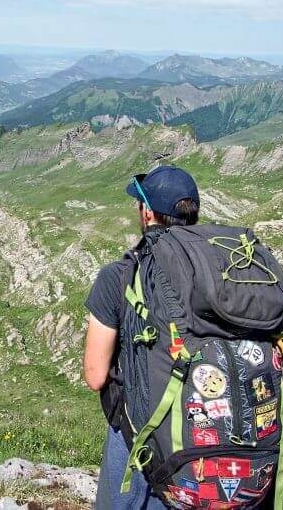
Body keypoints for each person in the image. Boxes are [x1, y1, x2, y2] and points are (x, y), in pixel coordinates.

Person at [81, 165, 201, 510]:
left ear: (147, 212)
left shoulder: (118, 276)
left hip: (144, 436)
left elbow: (95, 375)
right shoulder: (217, 273)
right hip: (210, 431)